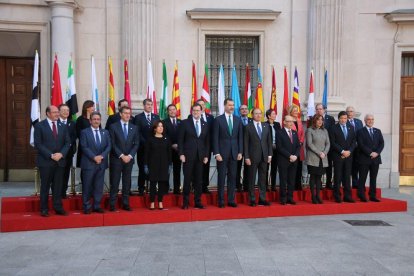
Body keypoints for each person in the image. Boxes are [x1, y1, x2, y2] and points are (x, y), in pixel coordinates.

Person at [34, 105, 71, 217]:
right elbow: (38, 144)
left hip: (59, 161)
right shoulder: (39, 126)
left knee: (58, 186)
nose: (57, 114)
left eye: (57, 112)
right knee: (45, 186)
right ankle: (44, 209)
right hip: (46, 161)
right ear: (48, 113)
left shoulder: (63, 126)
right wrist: (50, 155)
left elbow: (67, 142)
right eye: (55, 112)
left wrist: (61, 154)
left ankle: (58, 207)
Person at [213, 98, 243, 208]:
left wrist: (240, 151)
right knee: (221, 177)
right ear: (225, 106)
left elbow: (240, 137)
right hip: (222, 154)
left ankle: (231, 200)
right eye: (230, 105)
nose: (232, 107)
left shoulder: (237, 119)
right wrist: (216, 153)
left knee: (232, 177)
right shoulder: (218, 120)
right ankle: (220, 200)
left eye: (233, 105)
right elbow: (215, 138)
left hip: (234, 153)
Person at [178, 103, 210, 209]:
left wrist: (206, 155)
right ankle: (185, 202)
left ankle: (197, 201)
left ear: (201, 111)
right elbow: (180, 140)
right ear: (192, 111)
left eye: (198, 110)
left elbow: (207, 142)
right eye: (194, 110)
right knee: (187, 179)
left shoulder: (205, 124)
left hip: (200, 157)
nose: (196, 112)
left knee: (199, 180)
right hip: (188, 156)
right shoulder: (185, 123)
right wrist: (181, 154)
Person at [109, 106, 140, 211]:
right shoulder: (113, 127)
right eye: (125, 113)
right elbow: (112, 144)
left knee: (127, 182)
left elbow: (136, 144)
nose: (127, 115)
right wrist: (122, 155)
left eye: (129, 113)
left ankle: (125, 203)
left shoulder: (134, 127)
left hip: (129, 159)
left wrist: (130, 156)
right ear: (120, 114)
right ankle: (112, 204)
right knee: (115, 182)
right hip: (117, 159)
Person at [79, 112, 111, 214]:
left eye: (98, 119)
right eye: (94, 119)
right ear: (90, 121)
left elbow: (108, 146)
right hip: (89, 163)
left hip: (101, 163)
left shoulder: (105, 132)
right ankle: (87, 207)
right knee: (87, 186)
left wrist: (101, 156)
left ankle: (97, 206)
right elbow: (84, 147)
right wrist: (94, 157)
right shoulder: (84, 132)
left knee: (98, 186)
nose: (96, 121)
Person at [244, 108, 272, 207]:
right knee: (251, 178)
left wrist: (270, 155)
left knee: (262, 178)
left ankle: (262, 198)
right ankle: (252, 199)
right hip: (252, 157)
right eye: (256, 114)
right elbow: (246, 143)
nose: (258, 115)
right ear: (252, 115)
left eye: (260, 113)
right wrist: (246, 157)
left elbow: (269, 141)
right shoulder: (248, 127)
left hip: (264, 156)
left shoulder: (266, 126)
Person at [329, 111, 357, 203]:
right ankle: (337, 196)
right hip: (338, 156)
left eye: (345, 118)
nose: (343, 120)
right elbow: (333, 142)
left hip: (349, 155)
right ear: (339, 118)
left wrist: (349, 151)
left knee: (347, 176)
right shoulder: (333, 128)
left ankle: (347, 196)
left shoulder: (351, 128)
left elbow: (354, 141)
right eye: (342, 118)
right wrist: (342, 151)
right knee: (338, 176)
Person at [133, 98, 160, 195]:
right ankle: (141, 187)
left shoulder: (156, 117)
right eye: (148, 104)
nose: (149, 106)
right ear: (143, 106)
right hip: (142, 148)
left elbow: (158, 131)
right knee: (142, 168)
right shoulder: (138, 117)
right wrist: (146, 143)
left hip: (154, 148)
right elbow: (137, 132)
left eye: (151, 104)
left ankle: (153, 187)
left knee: (153, 168)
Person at [144, 120, 172, 210]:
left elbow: (169, 153)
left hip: (164, 165)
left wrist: (170, 165)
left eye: (162, 126)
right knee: (152, 184)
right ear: (155, 129)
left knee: (162, 184)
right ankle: (152, 202)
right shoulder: (150, 139)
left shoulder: (166, 139)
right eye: (159, 126)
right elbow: (146, 153)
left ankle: (160, 202)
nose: (161, 128)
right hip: (153, 165)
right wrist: (145, 165)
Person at [357, 114, 384, 202]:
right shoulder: (360, 131)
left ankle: (372, 195)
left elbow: (382, 143)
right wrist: (370, 153)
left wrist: (377, 153)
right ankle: (361, 195)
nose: (370, 121)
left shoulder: (377, 131)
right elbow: (361, 145)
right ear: (365, 121)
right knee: (362, 178)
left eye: (372, 119)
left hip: (375, 159)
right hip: (364, 158)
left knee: (373, 178)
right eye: (368, 119)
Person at [305, 114, 330, 204]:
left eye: (321, 120)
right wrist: (319, 152)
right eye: (318, 120)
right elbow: (309, 144)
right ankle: (313, 196)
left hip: (323, 158)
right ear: (314, 121)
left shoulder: (325, 131)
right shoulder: (310, 130)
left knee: (319, 178)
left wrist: (324, 152)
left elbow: (328, 143)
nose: (320, 121)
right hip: (313, 157)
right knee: (313, 177)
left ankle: (318, 196)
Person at [276, 115, 301, 205]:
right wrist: (289, 156)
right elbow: (279, 147)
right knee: (283, 180)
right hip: (284, 160)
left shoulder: (294, 132)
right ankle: (283, 198)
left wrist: (295, 156)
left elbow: (298, 146)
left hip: (294, 160)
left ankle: (290, 197)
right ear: (284, 122)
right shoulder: (279, 132)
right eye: (289, 121)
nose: (291, 123)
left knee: (291, 180)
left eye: (292, 121)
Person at [58, 103, 77, 198]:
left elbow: (74, 137)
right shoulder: (55, 122)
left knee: (66, 173)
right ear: (59, 112)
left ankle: (63, 192)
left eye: (68, 110)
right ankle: (56, 192)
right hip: (57, 153)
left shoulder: (72, 123)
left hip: (68, 153)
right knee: (57, 174)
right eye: (64, 110)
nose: (66, 112)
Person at [196, 99, 214, 194]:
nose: (202, 106)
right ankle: (195, 185)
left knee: (206, 167)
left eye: (203, 104)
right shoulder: (192, 116)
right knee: (196, 167)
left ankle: (204, 186)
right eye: (200, 104)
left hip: (207, 147)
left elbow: (213, 133)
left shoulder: (210, 117)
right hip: (196, 147)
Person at [315, 103, 335, 189]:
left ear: (324, 110)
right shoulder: (313, 118)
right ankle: (318, 183)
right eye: (317, 109)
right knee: (318, 165)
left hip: (328, 146)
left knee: (328, 165)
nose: (319, 110)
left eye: (320, 109)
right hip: (317, 147)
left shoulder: (330, 119)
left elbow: (333, 132)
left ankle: (328, 183)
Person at [162, 104, 182, 194]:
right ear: (167, 112)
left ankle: (177, 189)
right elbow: (163, 136)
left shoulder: (181, 122)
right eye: (170, 110)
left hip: (178, 151)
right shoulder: (163, 122)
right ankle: (165, 188)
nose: (172, 111)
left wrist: (179, 145)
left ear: (176, 110)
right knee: (167, 170)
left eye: (174, 109)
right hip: (167, 151)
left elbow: (183, 136)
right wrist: (171, 145)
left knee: (177, 170)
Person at [287, 105, 305, 190]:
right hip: (291, 147)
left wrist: (301, 142)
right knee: (292, 167)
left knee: (299, 166)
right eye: (294, 110)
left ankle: (298, 184)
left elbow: (302, 133)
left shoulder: (299, 121)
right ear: (290, 111)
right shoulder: (288, 121)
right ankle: (292, 185)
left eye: (297, 110)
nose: (296, 112)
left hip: (299, 147)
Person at [346, 106, 364, 189]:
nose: (350, 113)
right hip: (348, 148)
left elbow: (362, 134)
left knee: (356, 166)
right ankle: (347, 183)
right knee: (348, 166)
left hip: (358, 148)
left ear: (354, 113)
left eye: (351, 111)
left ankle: (355, 183)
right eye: (348, 111)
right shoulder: (344, 122)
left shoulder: (359, 122)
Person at [236, 104, 252, 192]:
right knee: (237, 167)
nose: (244, 110)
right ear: (239, 111)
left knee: (248, 168)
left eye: (246, 109)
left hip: (249, 149)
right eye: (242, 109)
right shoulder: (236, 120)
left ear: (248, 111)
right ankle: (237, 186)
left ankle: (247, 186)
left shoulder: (252, 120)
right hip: (238, 148)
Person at [265, 108, 281, 191]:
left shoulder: (277, 124)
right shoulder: (264, 124)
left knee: (274, 167)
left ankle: (273, 186)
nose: (275, 115)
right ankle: (265, 186)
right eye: (273, 114)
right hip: (268, 149)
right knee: (266, 168)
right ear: (269, 116)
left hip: (276, 149)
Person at [76, 100, 95, 169]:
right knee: (84, 167)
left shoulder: (95, 118)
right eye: (92, 106)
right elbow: (78, 133)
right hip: (85, 146)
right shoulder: (80, 119)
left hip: (95, 146)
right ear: (87, 108)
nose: (94, 108)